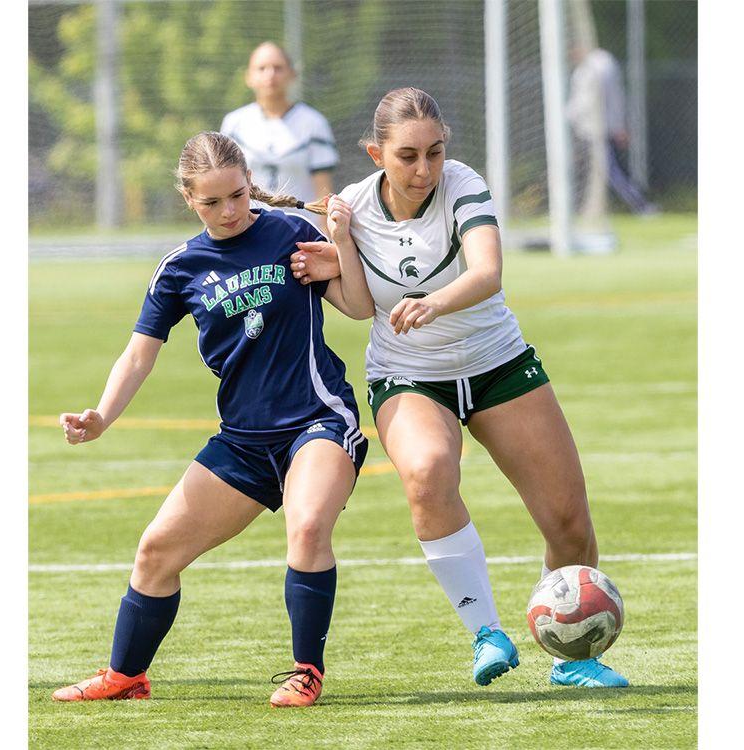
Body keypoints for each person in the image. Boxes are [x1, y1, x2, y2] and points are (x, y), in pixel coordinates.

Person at [290, 88, 629, 688]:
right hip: (408, 373)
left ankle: (574, 658)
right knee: (427, 472)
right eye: (407, 156)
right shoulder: (352, 206)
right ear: (376, 154)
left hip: (498, 363)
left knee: (569, 522)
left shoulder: (463, 184)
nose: (424, 169)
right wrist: (338, 251)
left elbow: (488, 272)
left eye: (435, 151)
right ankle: (486, 633)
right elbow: (360, 306)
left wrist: (434, 302)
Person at [52, 131, 371, 708]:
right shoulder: (180, 268)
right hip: (243, 441)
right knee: (156, 552)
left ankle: (306, 672)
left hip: (318, 420)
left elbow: (357, 305)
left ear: (250, 183)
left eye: (238, 196)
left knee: (306, 528)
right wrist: (101, 416)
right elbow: (138, 356)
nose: (229, 212)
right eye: (212, 202)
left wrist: (342, 243)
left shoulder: (290, 232)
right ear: (188, 200)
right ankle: (126, 676)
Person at [221, 41, 339, 232]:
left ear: (292, 74)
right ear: (248, 76)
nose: (270, 74)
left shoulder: (314, 123)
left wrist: (327, 236)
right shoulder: (234, 124)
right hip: (246, 232)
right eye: (261, 68)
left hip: (300, 232)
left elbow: (323, 190)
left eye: (278, 68)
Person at [566, 44, 657, 216]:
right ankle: (573, 209)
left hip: (597, 130)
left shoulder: (601, 65)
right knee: (592, 169)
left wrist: (618, 126)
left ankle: (641, 206)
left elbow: (611, 98)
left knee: (610, 170)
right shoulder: (582, 70)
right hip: (583, 130)